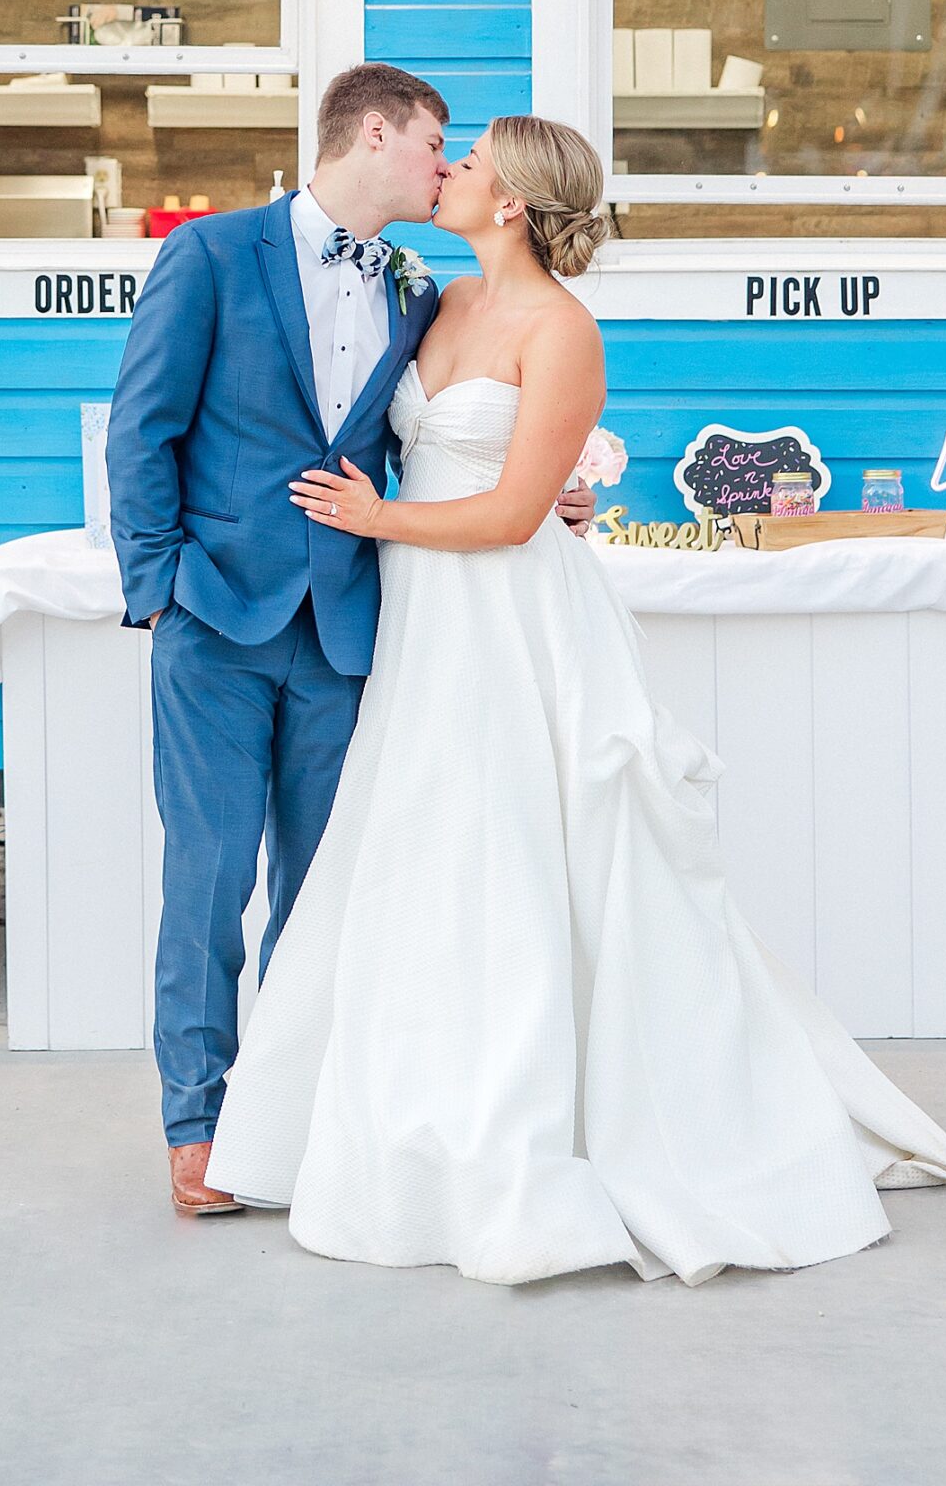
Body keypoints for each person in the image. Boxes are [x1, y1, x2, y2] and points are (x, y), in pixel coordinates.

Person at [206, 114, 946, 1285]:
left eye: (465, 165)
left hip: (512, 617)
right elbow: (466, 454)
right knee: (424, 849)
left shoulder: (564, 329)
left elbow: (511, 516)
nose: (443, 172)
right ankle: (401, 1121)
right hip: (425, 623)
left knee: (525, 849)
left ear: (510, 201)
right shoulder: (436, 303)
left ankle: (569, 1126)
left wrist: (380, 516)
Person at [106, 66, 596, 1217]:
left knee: (325, 887)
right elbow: (143, 429)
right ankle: (200, 1122)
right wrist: (158, 590)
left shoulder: (423, 290)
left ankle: (298, 1112)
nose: (445, 164)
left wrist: (559, 494)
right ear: (374, 133)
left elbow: (467, 423)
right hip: (216, 618)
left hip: (351, 626)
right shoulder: (214, 255)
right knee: (211, 872)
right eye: (436, 142)